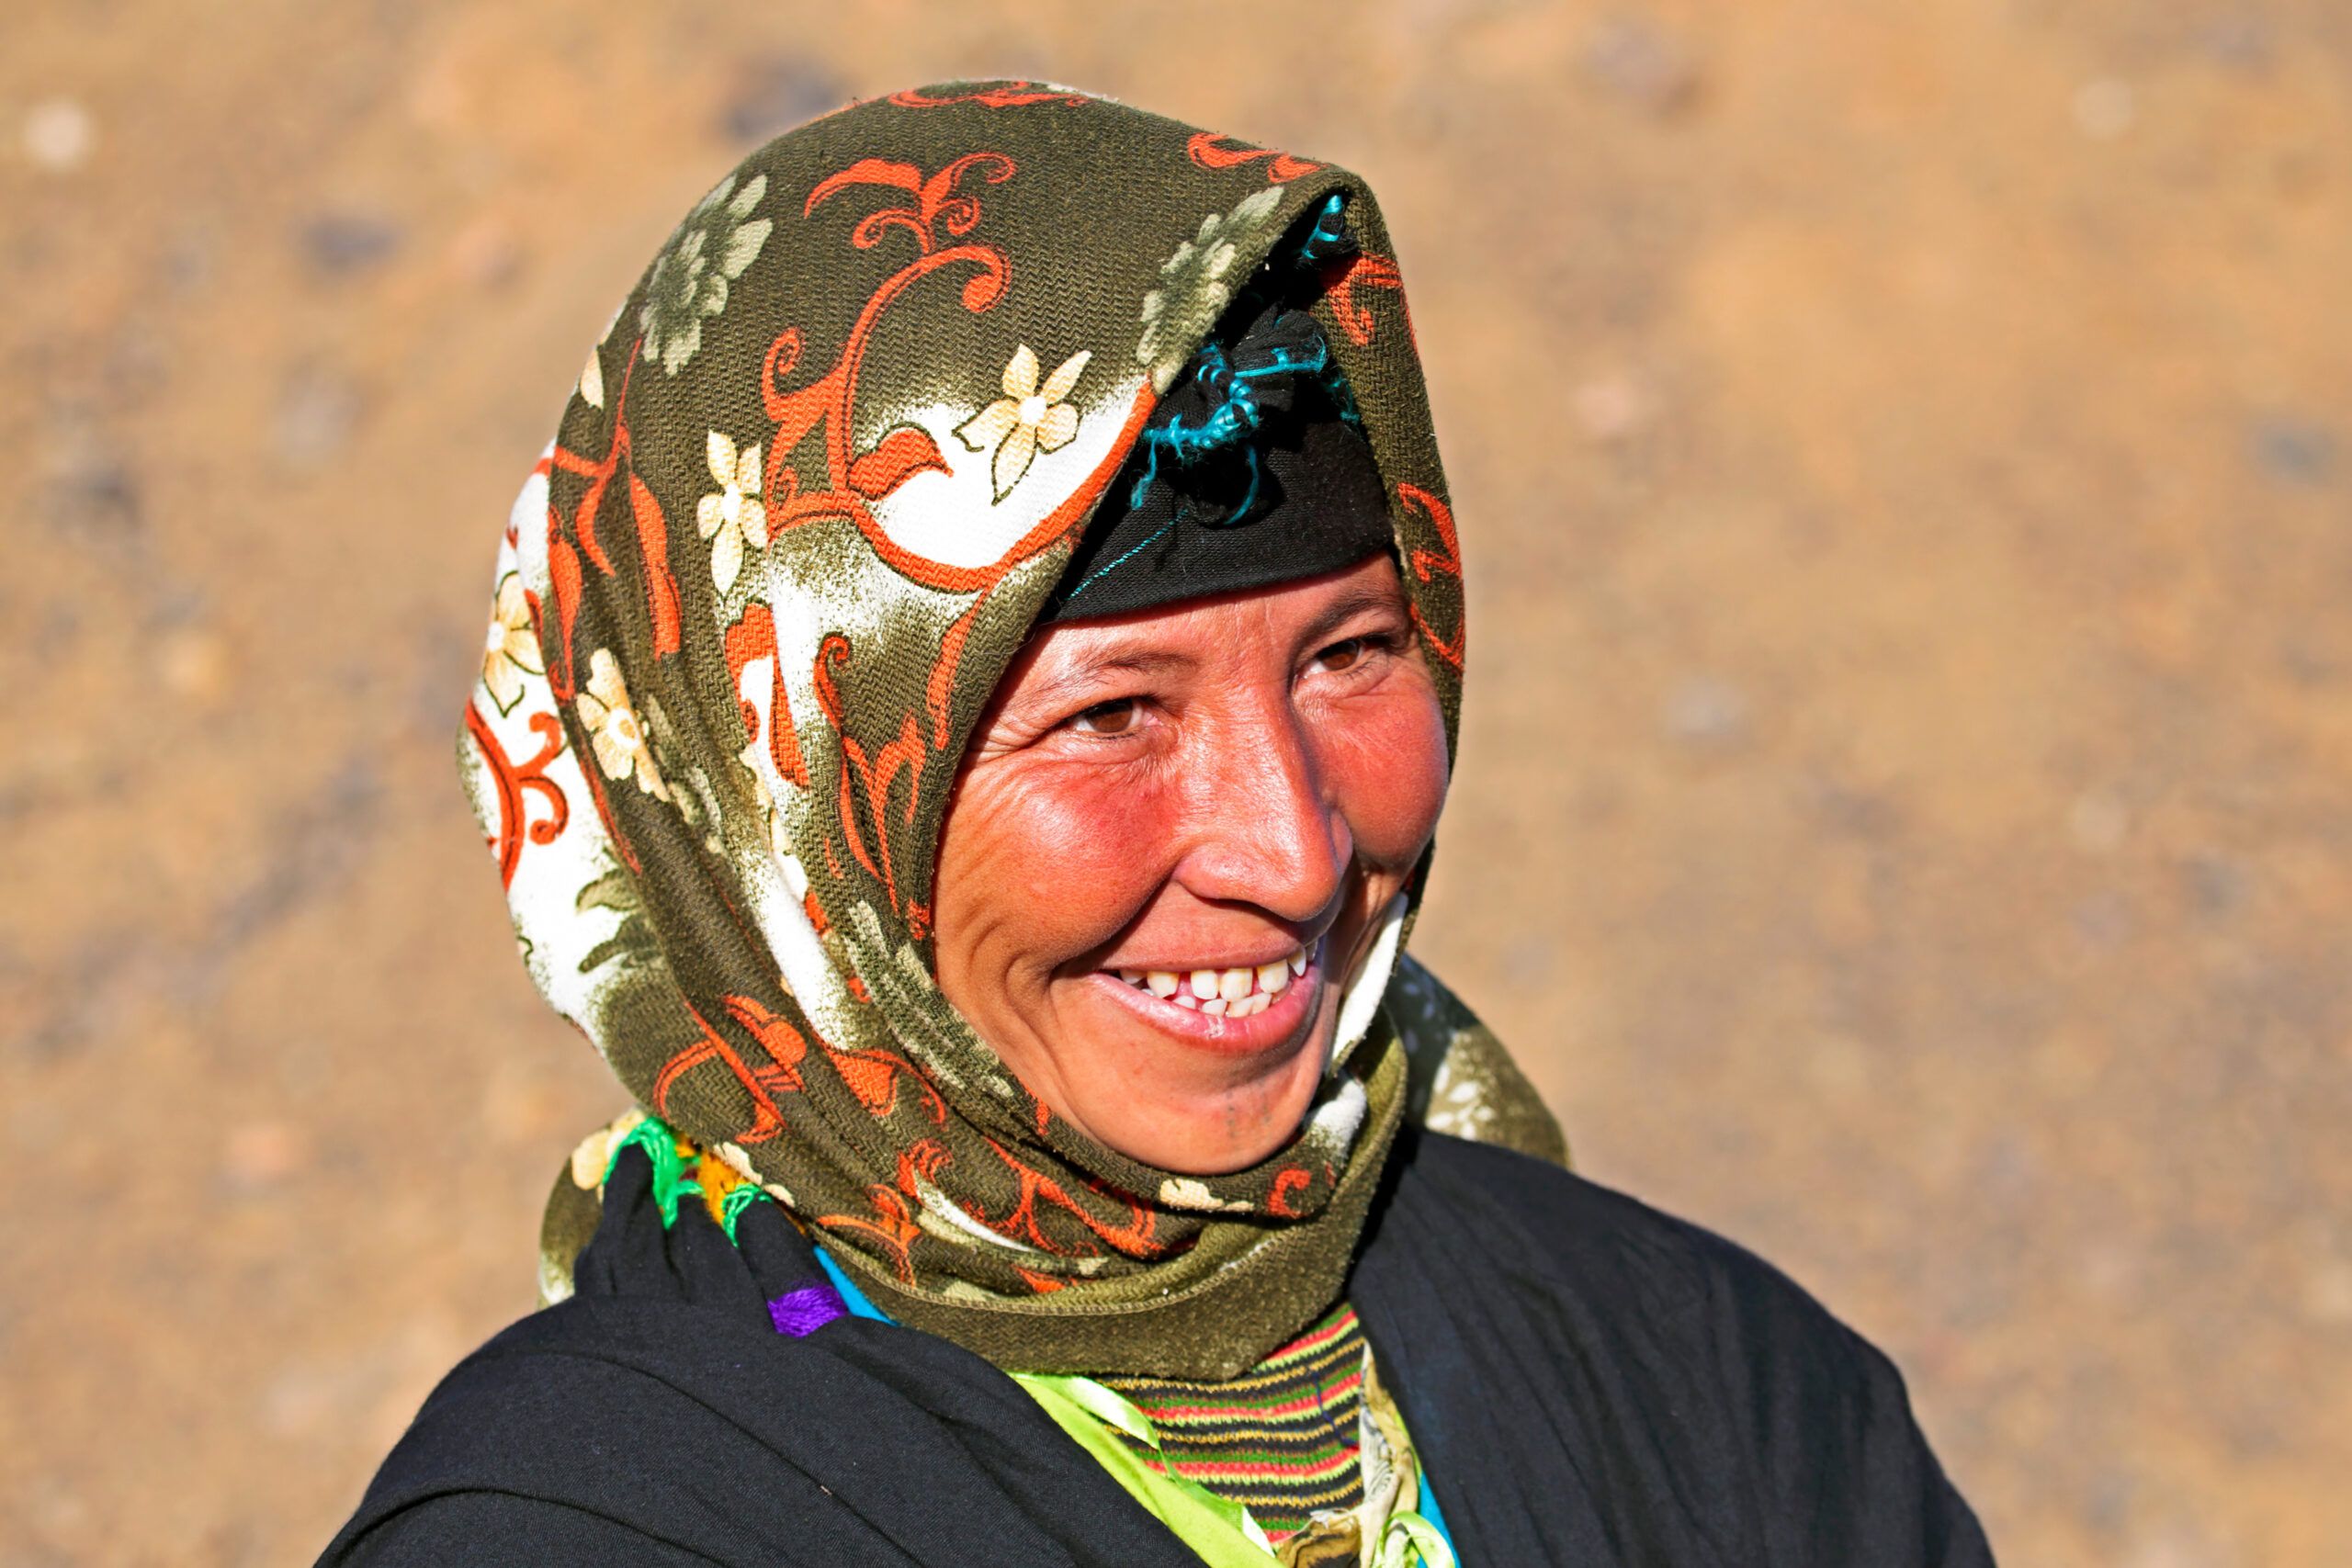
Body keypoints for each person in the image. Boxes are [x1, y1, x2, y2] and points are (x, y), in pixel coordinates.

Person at [322, 82, 1995, 1566]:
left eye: (1352, 655)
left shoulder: (1718, 1393)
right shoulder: (598, 1522)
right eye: (1112, 716)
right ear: (786, 810)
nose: (1295, 854)